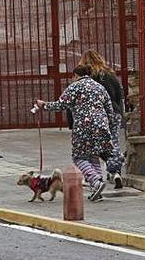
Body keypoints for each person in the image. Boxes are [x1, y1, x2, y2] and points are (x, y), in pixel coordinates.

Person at [36, 65, 121, 202]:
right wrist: (109, 127)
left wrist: (44, 105)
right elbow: (110, 109)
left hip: (84, 127)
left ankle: (95, 181)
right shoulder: (99, 87)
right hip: (102, 126)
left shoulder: (75, 87)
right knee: (94, 155)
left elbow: (61, 104)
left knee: (79, 157)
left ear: (75, 75)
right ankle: (96, 189)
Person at [78, 50, 125, 189]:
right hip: (113, 113)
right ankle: (115, 172)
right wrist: (119, 113)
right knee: (113, 143)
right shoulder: (110, 75)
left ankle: (93, 176)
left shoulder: (85, 79)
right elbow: (118, 95)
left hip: (94, 116)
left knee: (92, 146)